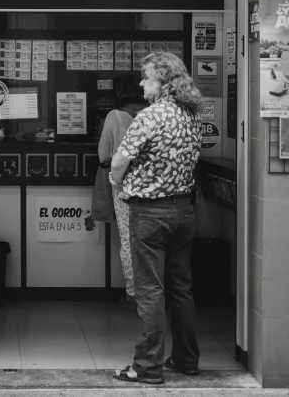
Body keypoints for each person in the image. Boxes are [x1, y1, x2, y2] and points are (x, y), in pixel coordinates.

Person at [110, 52, 203, 385]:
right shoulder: (192, 114)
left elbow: (119, 161)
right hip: (184, 212)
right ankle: (186, 359)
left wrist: (116, 182)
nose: (140, 82)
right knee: (181, 289)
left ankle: (147, 367)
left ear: (163, 81)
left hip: (149, 213)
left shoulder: (150, 116)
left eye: (146, 77)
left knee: (150, 291)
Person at [98, 75, 146, 311]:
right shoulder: (153, 113)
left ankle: (133, 294)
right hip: (154, 189)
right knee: (151, 242)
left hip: (125, 187)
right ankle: (154, 292)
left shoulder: (115, 117)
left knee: (129, 241)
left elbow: (104, 154)